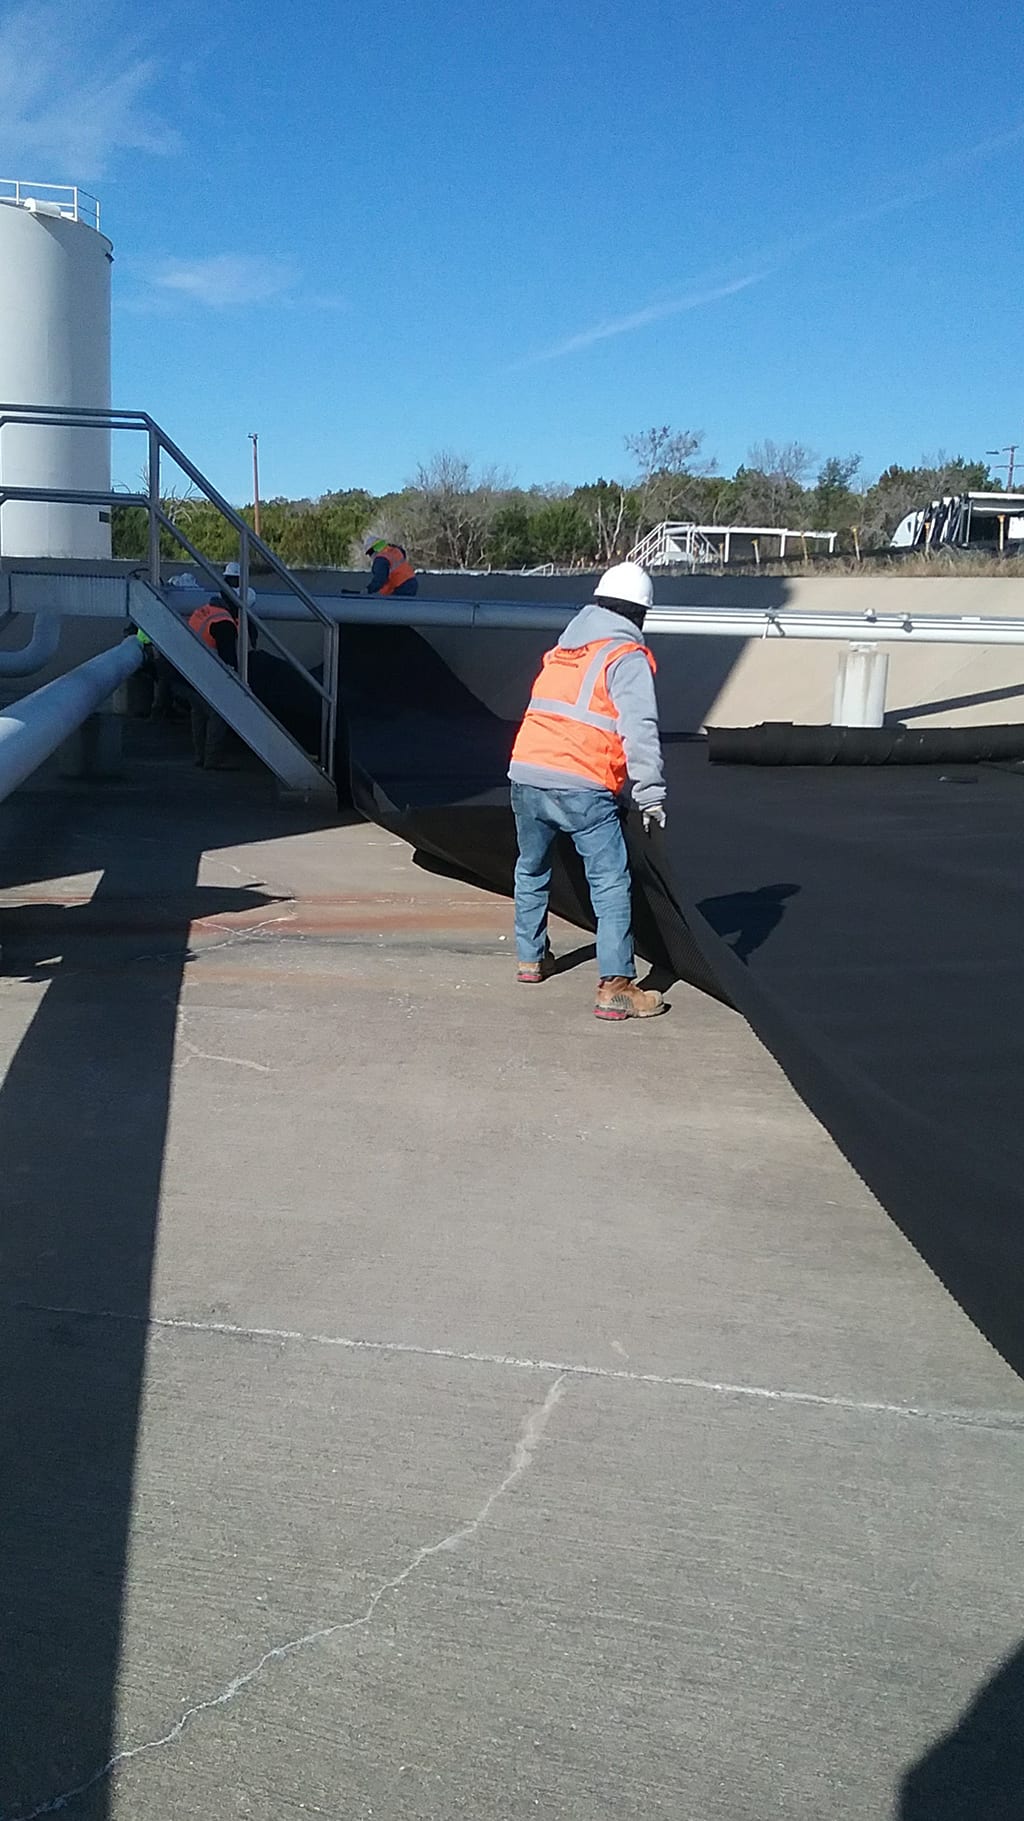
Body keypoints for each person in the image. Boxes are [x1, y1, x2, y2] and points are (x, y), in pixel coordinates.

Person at [508, 561, 667, 1021]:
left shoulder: (563, 652)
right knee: (611, 882)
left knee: (531, 868)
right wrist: (650, 793)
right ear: (640, 614)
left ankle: (530, 958)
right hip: (582, 783)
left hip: (526, 772)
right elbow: (640, 730)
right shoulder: (624, 657)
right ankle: (616, 986)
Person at [184, 562, 256, 769]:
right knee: (219, 713)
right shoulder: (224, 622)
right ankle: (213, 759)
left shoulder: (204, 610)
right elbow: (229, 660)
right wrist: (240, 682)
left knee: (198, 712)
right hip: (209, 673)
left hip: (189, 671)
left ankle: (201, 756)